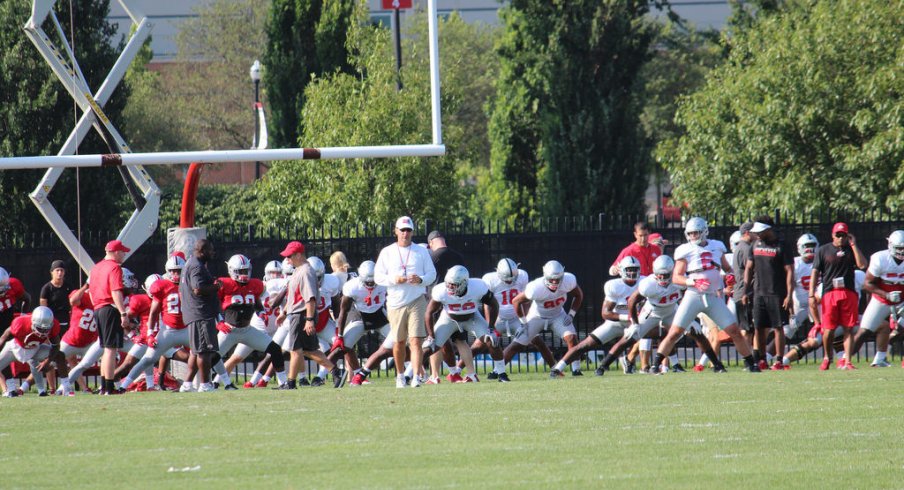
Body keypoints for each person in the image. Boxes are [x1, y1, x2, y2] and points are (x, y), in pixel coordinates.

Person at [653, 217, 759, 373]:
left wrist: (729, 276)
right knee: (675, 332)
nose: (693, 236)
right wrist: (692, 282)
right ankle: (655, 365)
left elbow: (727, 269)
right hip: (693, 295)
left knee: (734, 331)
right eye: (691, 233)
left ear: (704, 231)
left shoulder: (717, 246)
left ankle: (751, 364)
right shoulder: (684, 249)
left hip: (712, 296)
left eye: (696, 233)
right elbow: (676, 277)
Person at [549, 256, 640, 377]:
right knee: (585, 345)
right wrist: (627, 317)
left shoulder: (644, 283)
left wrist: (635, 320)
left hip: (635, 323)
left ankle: (607, 367)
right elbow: (605, 313)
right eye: (629, 269)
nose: (632, 272)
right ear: (622, 270)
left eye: (634, 269)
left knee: (648, 335)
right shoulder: (614, 285)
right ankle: (557, 368)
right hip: (615, 322)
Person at [374, 216, 436, 388]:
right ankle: (400, 375)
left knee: (416, 341)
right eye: (402, 230)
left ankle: (416, 376)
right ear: (396, 231)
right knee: (399, 342)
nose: (405, 233)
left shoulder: (421, 251)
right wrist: (395, 279)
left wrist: (420, 280)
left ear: (412, 232)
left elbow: (432, 275)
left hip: (417, 299)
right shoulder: (387, 252)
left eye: (408, 230)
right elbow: (378, 276)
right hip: (395, 302)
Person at [211, 254, 289, 389]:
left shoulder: (255, 284)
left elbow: (257, 302)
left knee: (275, 349)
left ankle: (283, 383)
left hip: (247, 330)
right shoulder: (224, 284)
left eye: (246, 270)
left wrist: (261, 312)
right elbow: (213, 304)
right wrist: (219, 321)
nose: (244, 274)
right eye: (240, 271)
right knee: (211, 356)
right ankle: (223, 382)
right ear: (232, 270)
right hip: (229, 329)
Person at [503, 260, 585, 375]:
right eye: (552, 279)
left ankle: (576, 370)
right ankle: (498, 371)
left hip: (558, 315)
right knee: (517, 344)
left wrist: (571, 314)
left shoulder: (568, 280)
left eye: (558, 279)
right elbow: (516, 301)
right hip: (537, 316)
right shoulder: (536, 287)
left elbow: (578, 295)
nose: (555, 282)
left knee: (571, 338)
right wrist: (523, 322)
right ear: (545, 276)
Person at [422, 265, 499, 384]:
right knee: (431, 346)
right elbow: (428, 312)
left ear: (464, 283)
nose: (450, 287)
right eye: (448, 283)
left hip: (471, 317)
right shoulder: (441, 290)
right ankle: (430, 376)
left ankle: (474, 375)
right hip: (449, 318)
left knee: (490, 339)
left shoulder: (477, 286)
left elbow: (494, 304)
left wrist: (491, 327)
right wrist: (431, 335)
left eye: (454, 284)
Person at [808, 222, 866, 370]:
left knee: (848, 328)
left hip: (848, 292)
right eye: (838, 235)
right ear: (833, 235)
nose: (841, 238)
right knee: (828, 329)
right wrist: (811, 293)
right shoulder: (823, 250)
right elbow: (815, 272)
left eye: (843, 235)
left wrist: (853, 245)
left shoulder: (850, 249)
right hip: (830, 292)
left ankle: (847, 360)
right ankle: (828, 357)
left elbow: (862, 265)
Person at [279, 240, 334, 389]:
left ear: (298, 255)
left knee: (296, 350)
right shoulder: (299, 270)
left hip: (302, 314)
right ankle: (336, 372)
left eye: (289, 256)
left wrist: (309, 319)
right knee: (308, 350)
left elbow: (309, 298)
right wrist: (284, 312)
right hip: (298, 313)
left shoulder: (305, 271)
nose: (287, 259)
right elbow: (294, 296)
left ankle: (290, 383)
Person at [847, 230, 904, 367]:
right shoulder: (880, 258)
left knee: (901, 330)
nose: (902, 252)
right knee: (864, 331)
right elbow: (868, 284)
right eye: (899, 248)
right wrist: (887, 295)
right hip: (882, 299)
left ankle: (880, 359)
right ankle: (846, 360)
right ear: (890, 245)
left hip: (902, 299)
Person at [743, 221, 794, 370]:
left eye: (760, 231)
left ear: (769, 230)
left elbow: (789, 270)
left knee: (778, 327)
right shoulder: (756, 244)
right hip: (759, 292)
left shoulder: (782, 245)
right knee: (758, 327)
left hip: (777, 293)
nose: (757, 234)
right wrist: (746, 291)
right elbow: (748, 268)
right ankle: (762, 359)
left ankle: (778, 360)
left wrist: (789, 295)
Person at [87, 240, 131, 395]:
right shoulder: (114, 267)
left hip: (98, 308)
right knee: (111, 349)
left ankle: (104, 386)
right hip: (110, 308)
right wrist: (123, 313)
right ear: (116, 252)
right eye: (123, 252)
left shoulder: (96, 268)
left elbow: (91, 292)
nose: (124, 254)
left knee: (106, 349)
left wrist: (97, 306)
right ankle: (109, 386)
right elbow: (116, 291)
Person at [180, 239, 223, 392]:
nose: (213, 253)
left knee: (195, 351)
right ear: (203, 251)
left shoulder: (190, 263)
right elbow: (197, 288)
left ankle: (187, 384)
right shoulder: (197, 266)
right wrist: (216, 287)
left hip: (195, 312)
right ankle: (205, 384)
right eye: (211, 250)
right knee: (205, 350)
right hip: (200, 313)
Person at [0, 306, 60, 397]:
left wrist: (47, 361)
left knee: (57, 357)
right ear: (33, 322)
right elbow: (5, 335)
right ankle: (9, 389)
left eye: (46, 329)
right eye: (40, 328)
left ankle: (42, 391)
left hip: (34, 349)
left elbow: (56, 346)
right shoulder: (20, 323)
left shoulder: (54, 326)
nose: (43, 332)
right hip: (15, 348)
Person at [39, 260, 74, 335]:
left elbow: (73, 304)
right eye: (57, 270)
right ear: (52, 272)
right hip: (52, 321)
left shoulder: (68, 286)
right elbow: (43, 309)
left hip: (66, 321)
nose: (60, 273)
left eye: (61, 270)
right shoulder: (46, 288)